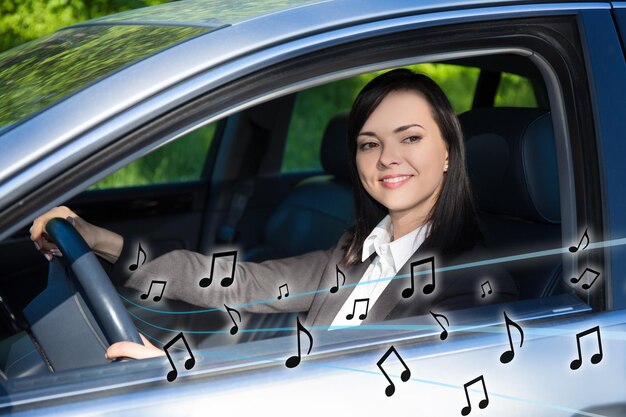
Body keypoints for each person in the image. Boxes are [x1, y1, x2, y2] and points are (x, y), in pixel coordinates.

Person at [30, 69, 518, 360]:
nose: (387, 157)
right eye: (370, 144)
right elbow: (234, 281)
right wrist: (99, 240)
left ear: (450, 151)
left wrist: (181, 379)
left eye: (410, 137)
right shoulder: (357, 251)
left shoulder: (474, 285)